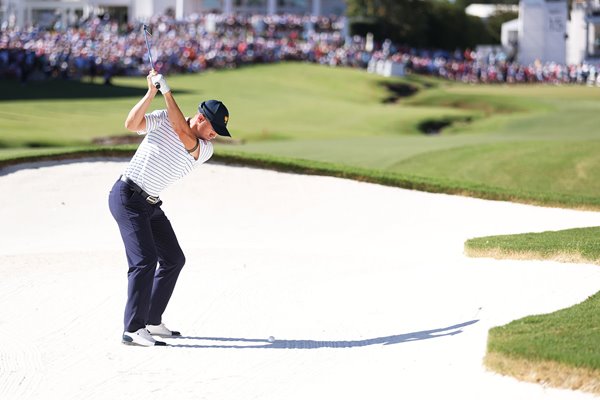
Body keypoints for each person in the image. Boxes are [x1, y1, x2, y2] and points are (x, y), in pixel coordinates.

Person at [108, 70, 231, 346]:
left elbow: (182, 133)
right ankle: (133, 328)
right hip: (127, 196)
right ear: (200, 118)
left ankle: (151, 320)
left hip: (149, 203)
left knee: (174, 259)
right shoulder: (164, 118)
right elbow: (131, 123)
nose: (215, 136)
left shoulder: (204, 148)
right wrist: (152, 92)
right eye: (213, 129)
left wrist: (168, 92)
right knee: (145, 261)